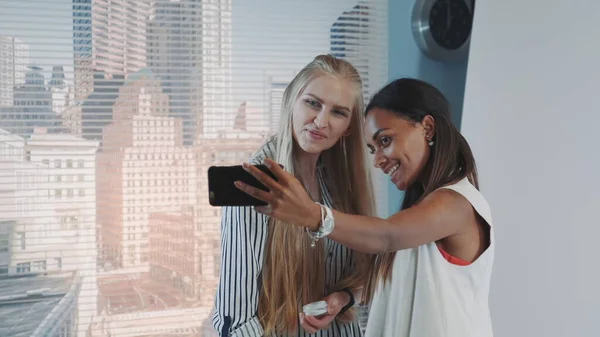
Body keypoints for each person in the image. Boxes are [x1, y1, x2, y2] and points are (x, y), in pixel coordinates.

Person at [236, 78, 495, 337]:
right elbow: (404, 279)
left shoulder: (457, 203)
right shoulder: (422, 211)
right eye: (372, 149)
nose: (378, 160)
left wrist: (313, 215)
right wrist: (345, 298)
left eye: (385, 140)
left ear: (427, 128)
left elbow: (386, 236)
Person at [212, 55, 376, 337]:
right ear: (291, 100)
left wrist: (344, 297)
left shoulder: (342, 183)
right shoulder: (250, 185)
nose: (321, 121)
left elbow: (369, 274)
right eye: (312, 103)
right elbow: (236, 323)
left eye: (338, 112)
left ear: (348, 127)